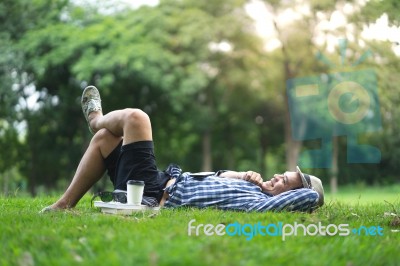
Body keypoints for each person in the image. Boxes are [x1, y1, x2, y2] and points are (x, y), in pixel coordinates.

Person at [40, 86, 324, 213]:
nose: (276, 177)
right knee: (104, 139)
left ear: (292, 194)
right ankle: (64, 204)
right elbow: (215, 176)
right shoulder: (256, 190)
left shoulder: (263, 205)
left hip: (153, 194)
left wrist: (305, 186)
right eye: (281, 175)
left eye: (283, 181)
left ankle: (95, 119)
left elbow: (310, 197)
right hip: (162, 180)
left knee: (136, 118)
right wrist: (241, 175)